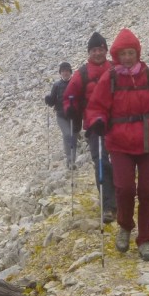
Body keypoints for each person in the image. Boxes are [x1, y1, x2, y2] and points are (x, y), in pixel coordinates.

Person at [85, 28, 149, 262]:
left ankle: (145, 240)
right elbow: (97, 106)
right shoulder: (111, 77)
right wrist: (97, 121)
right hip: (120, 143)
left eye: (131, 53)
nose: (127, 57)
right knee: (124, 189)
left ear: (137, 53)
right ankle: (125, 226)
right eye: (123, 53)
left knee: (147, 192)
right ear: (116, 55)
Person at [62, 31, 117, 223]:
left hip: (117, 122)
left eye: (101, 49)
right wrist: (69, 108)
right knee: (101, 161)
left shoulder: (115, 68)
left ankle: (118, 199)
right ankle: (108, 205)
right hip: (95, 125)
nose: (97, 53)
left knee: (118, 162)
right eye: (94, 50)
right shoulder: (82, 73)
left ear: (106, 50)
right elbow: (70, 95)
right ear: (89, 52)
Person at [44, 62, 78, 168]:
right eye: (63, 71)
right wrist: (49, 100)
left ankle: (73, 160)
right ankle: (69, 160)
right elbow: (52, 101)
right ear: (60, 73)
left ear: (70, 72)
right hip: (61, 115)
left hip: (74, 116)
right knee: (68, 135)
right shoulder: (56, 85)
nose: (65, 73)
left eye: (67, 71)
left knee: (74, 137)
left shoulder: (75, 83)